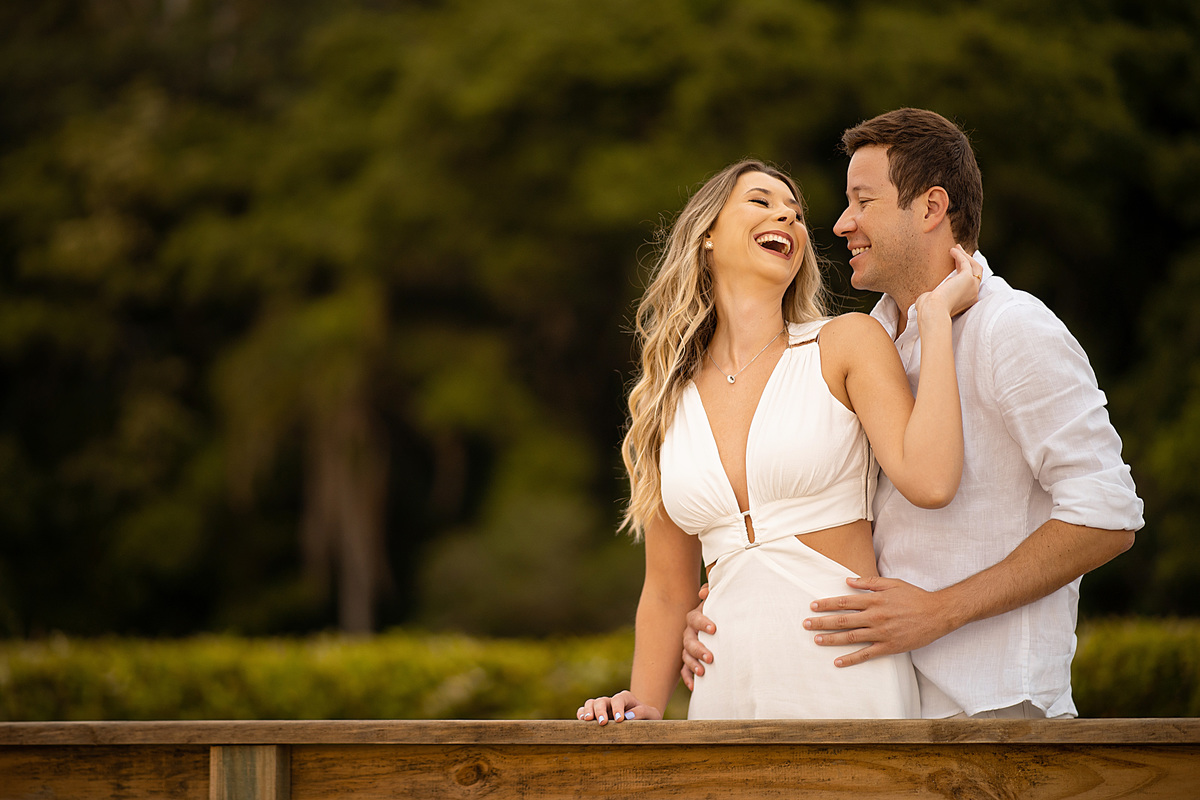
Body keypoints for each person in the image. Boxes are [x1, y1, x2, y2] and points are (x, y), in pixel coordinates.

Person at [681, 109, 1143, 720]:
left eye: (863, 202)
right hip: (883, 700)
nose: (842, 223)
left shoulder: (1013, 330)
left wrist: (939, 610)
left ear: (930, 209)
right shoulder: (868, 341)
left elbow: (1107, 515)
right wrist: (732, 600)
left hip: (997, 708)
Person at [576, 158, 981, 724]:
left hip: (844, 674)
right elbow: (669, 590)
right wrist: (641, 704)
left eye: (794, 212)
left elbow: (932, 480)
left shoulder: (844, 344)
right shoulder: (663, 401)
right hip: (723, 688)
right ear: (709, 235)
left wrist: (934, 321)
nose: (787, 217)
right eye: (763, 202)